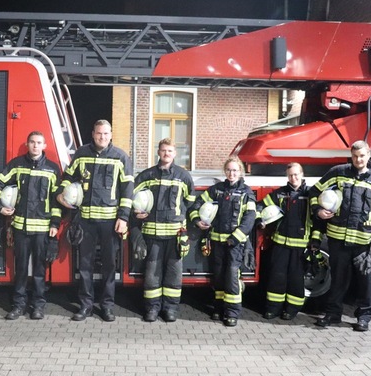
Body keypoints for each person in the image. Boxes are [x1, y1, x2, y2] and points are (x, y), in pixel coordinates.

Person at [310, 140, 371, 332]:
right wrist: (318, 209)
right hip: (338, 239)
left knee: (366, 282)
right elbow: (315, 191)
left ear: (368, 156)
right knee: (338, 280)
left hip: (365, 242)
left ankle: (364, 317)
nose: (358, 159)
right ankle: (333, 314)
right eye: (355, 156)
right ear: (351, 155)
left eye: (362, 156)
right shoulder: (338, 172)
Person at [57, 119, 133, 322]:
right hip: (86, 221)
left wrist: (123, 217)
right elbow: (67, 177)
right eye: (99, 133)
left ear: (111, 135)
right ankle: (85, 306)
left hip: (110, 222)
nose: (102, 137)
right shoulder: (81, 154)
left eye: (106, 134)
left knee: (109, 266)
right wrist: (61, 194)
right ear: (93, 133)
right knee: (85, 266)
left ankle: (107, 306)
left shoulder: (121, 157)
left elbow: (127, 190)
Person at [0, 131, 62, 321]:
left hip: (42, 229)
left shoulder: (52, 169)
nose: (35, 145)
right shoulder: (16, 165)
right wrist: (0, 206)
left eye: (39, 142)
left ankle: (38, 307)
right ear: (27, 143)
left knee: (39, 271)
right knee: (21, 269)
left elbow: (56, 201)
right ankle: (18, 306)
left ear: (45, 145)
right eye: (32, 142)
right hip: (20, 228)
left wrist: (55, 224)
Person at [133, 138, 196, 322]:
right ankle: (152, 309)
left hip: (175, 235)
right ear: (158, 152)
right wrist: (137, 212)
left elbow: (190, 203)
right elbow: (132, 197)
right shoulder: (147, 175)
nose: (166, 154)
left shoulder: (183, 176)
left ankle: (170, 309)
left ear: (174, 154)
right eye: (163, 150)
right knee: (152, 274)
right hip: (152, 234)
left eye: (169, 151)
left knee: (173, 275)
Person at [190, 156, 256, 327]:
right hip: (217, 242)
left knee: (232, 277)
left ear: (240, 171)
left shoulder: (246, 193)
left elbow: (249, 219)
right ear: (225, 171)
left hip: (235, 244)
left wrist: (235, 238)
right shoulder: (217, 190)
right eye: (228, 170)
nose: (231, 173)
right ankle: (219, 308)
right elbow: (197, 204)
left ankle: (232, 312)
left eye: (234, 170)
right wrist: (197, 220)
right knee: (218, 276)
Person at [258, 162, 317, 320]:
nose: (293, 178)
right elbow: (260, 207)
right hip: (281, 244)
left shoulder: (312, 194)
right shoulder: (280, 194)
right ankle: (273, 308)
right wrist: (260, 220)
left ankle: (292, 309)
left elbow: (318, 220)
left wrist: (315, 242)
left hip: (300, 246)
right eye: (290, 175)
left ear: (302, 174)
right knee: (277, 277)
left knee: (295, 279)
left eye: (296, 174)